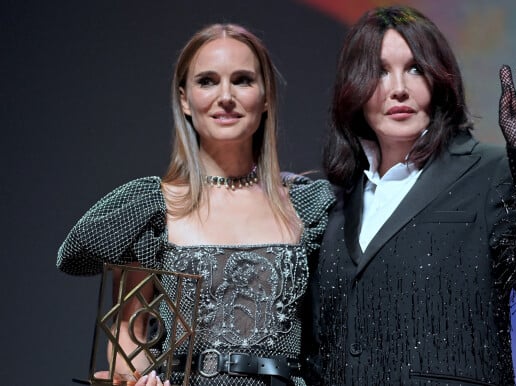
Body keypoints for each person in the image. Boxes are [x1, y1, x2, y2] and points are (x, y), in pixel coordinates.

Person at [306, 5, 516, 386]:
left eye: (415, 68)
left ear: (439, 79)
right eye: (380, 71)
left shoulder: (489, 172)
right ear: (354, 86)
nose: (398, 88)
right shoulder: (336, 201)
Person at [57, 23, 334, 386]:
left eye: (242, 80)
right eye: (207, 81)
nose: (225, 96)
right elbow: (130, 330)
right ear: (185, 99)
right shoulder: (154, 210)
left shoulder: (304, 205)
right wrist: (137, 379)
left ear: (266, 97)